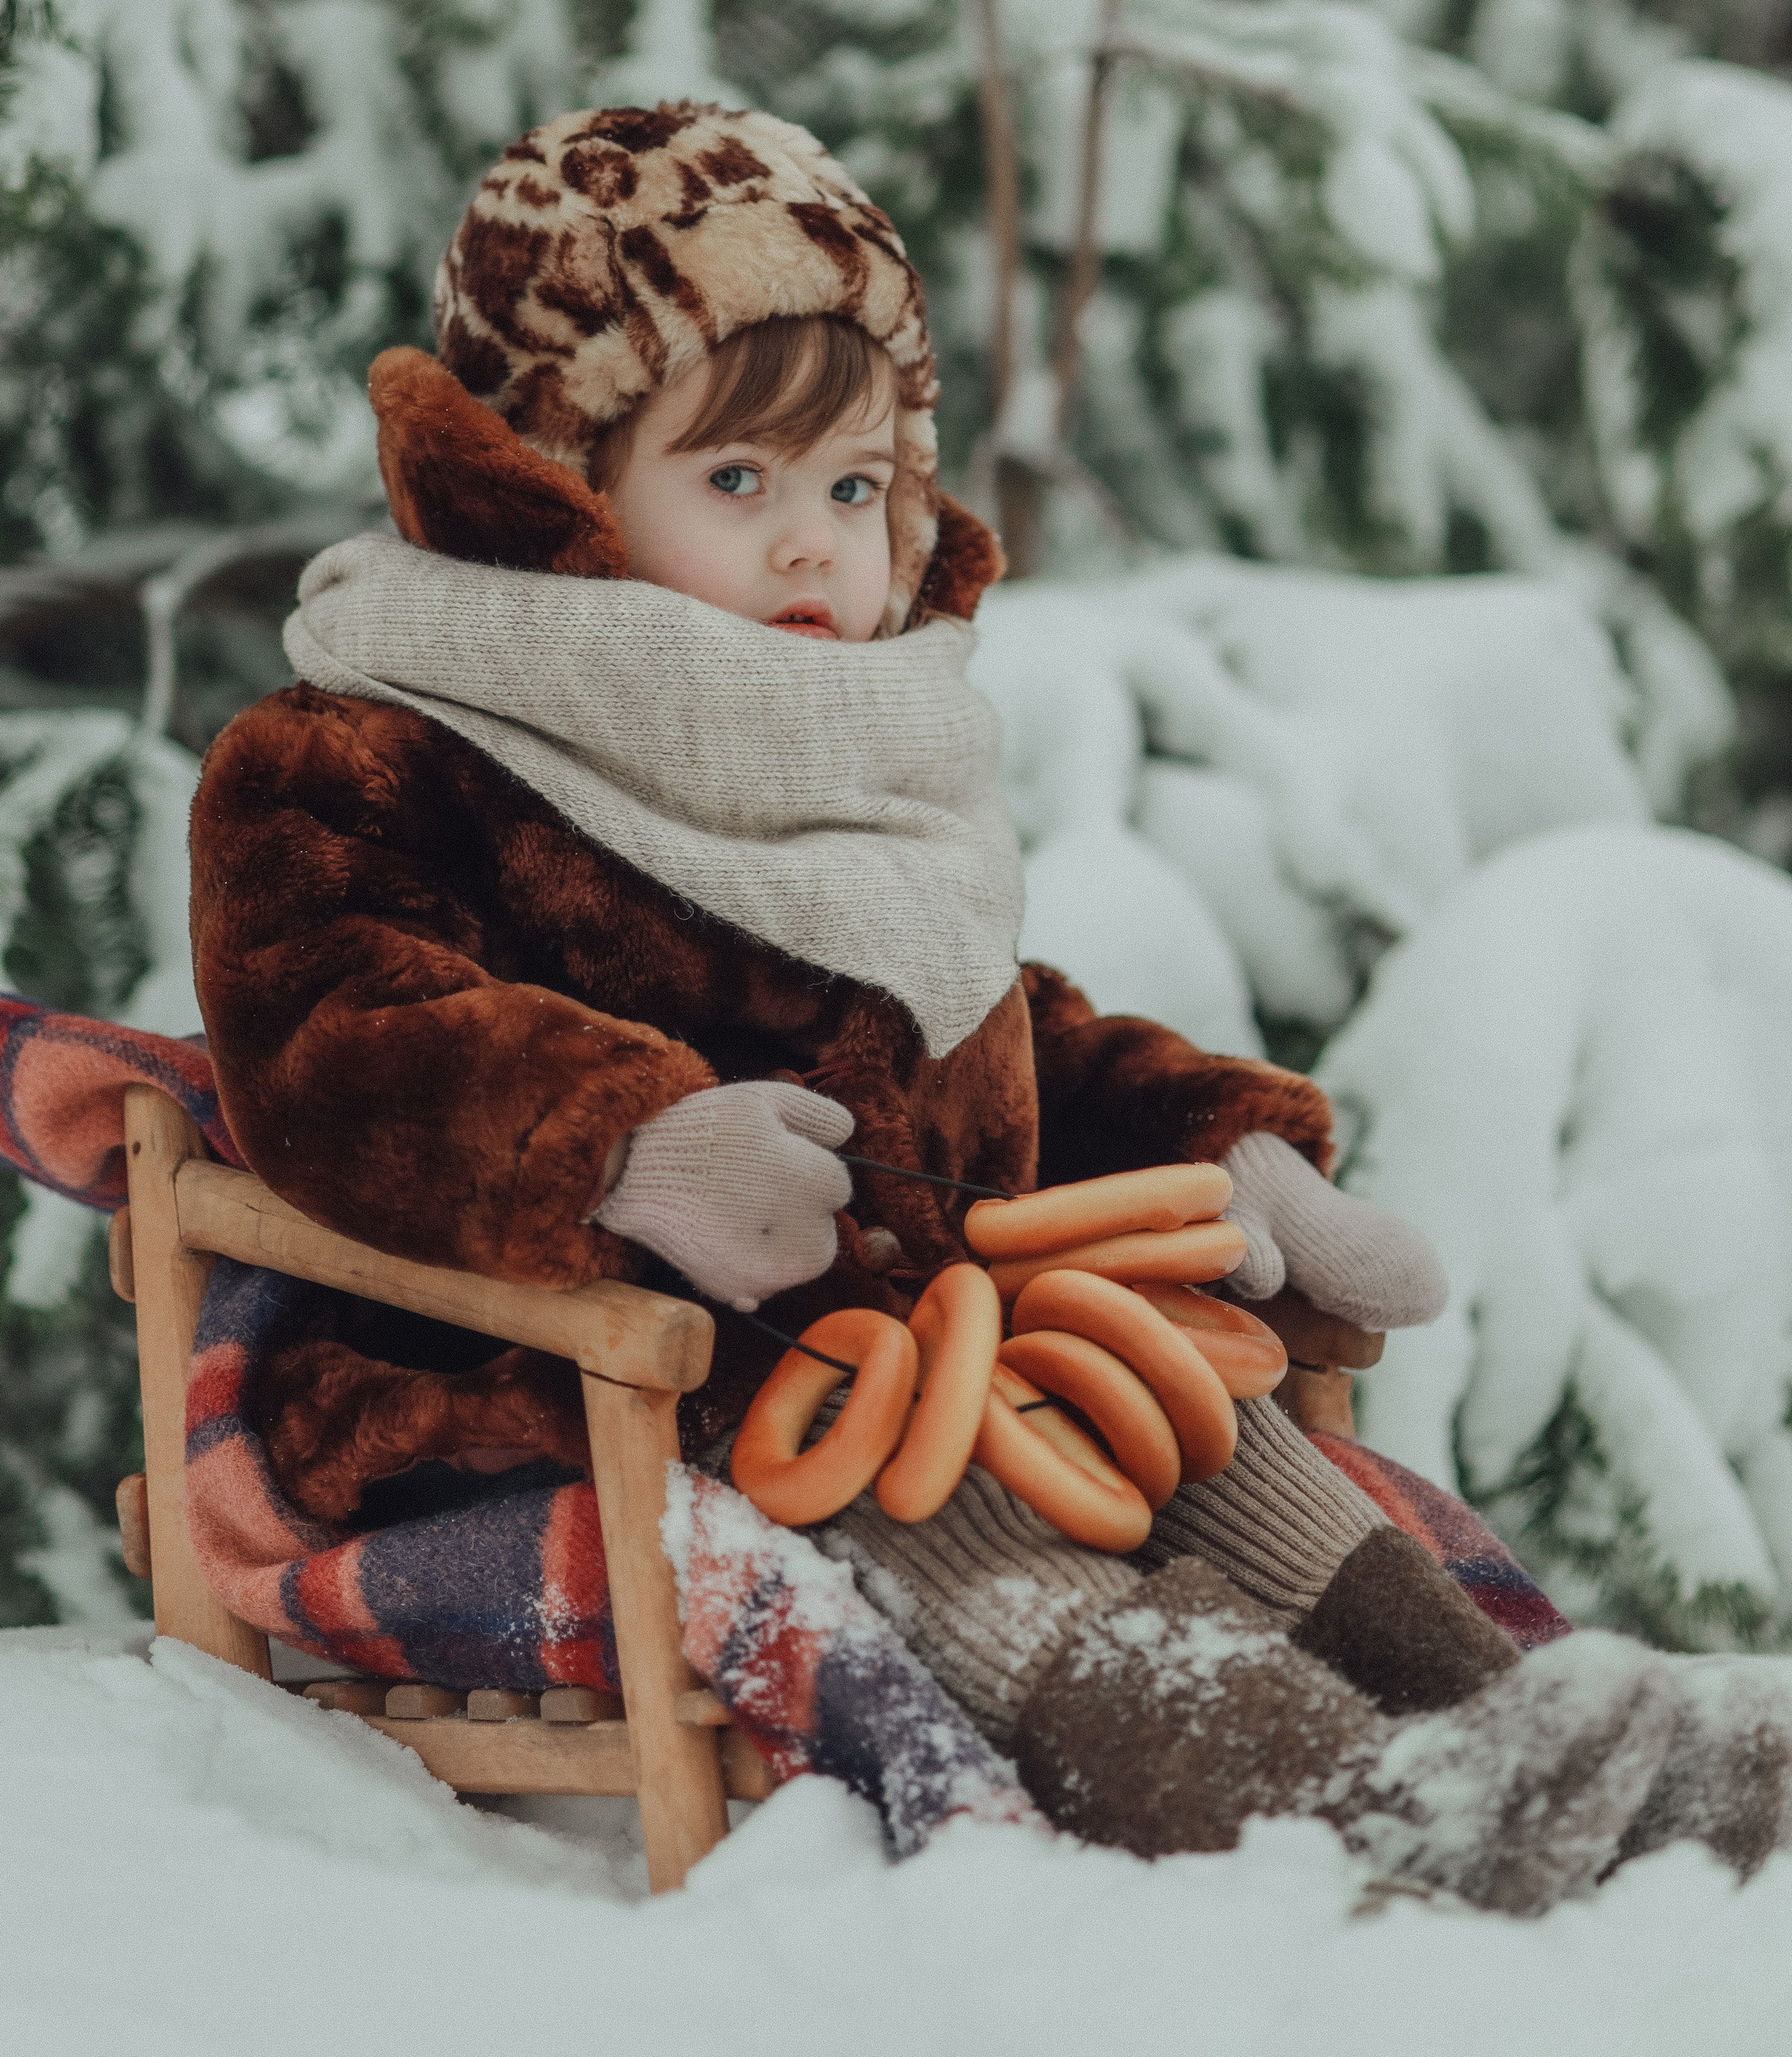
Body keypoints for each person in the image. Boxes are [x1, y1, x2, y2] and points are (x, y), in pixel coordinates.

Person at [189, 102, 1782, 1904]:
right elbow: (327, 1026)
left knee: (1194, 1425)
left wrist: (1224, 1154)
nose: (813, 548)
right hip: (559, 1377)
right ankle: (1341, 1805)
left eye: (851, 488)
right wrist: (623, 1143)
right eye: (737, 483)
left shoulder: (847, 759)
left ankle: (1520, 1739)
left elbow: (994, 1028)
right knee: (947, 1501)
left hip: (928, 1337)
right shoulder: (373, 746)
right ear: (552, 481)